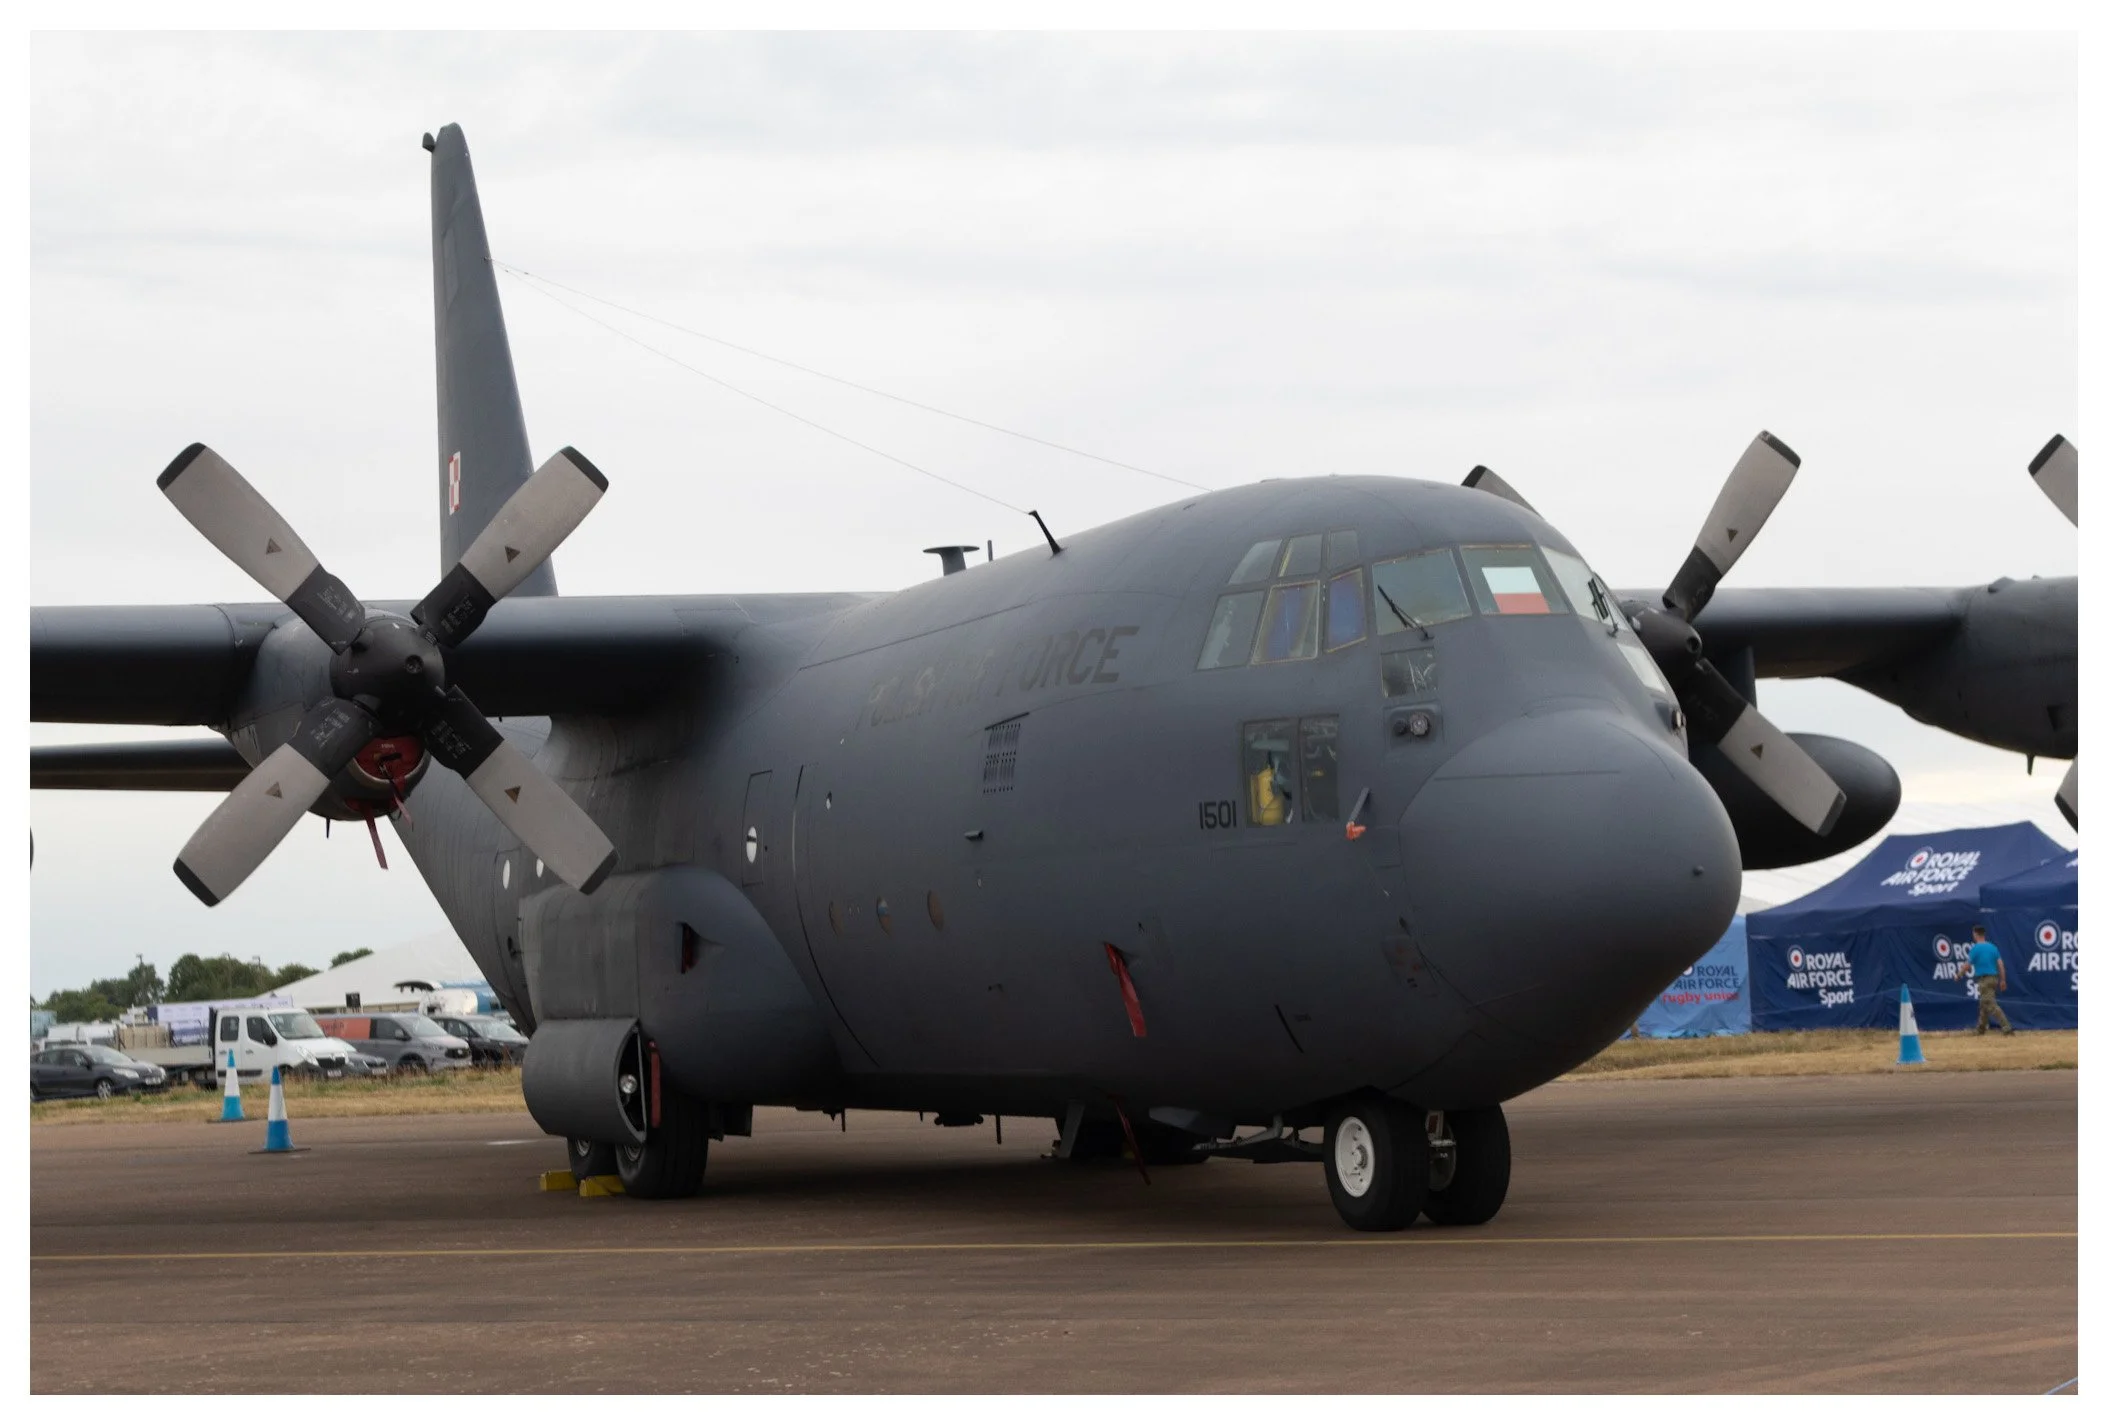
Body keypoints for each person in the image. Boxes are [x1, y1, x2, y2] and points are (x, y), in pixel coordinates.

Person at [1965, 925, 2014, 1035]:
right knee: (1984, 1004)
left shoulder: (1975, 949)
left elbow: (1967, 966)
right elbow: (2001, 965)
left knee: (1991, 1005)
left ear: (1976, 934)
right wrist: (2003, 980)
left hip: (1984, 980)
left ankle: (2007, 1028)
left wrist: (1958, 975)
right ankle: (1981, 1029)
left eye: (1973, 934)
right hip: (1994, 979)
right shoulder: (1993, 947)